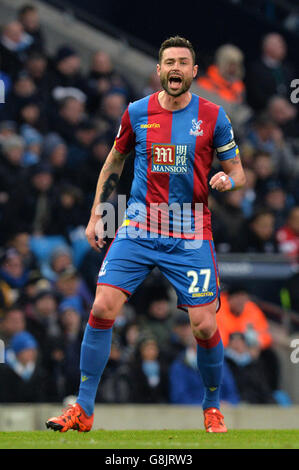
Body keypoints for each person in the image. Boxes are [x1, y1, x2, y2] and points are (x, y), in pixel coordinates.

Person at [46, 35, 246, 434]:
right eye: (168, 61)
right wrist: (97, 215)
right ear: (159, 70)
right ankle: (83, 408)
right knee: (102, 307)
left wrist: (228, 179)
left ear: (193, 71)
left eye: (183, 62)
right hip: (138, 224)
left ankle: (211, 408)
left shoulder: (213, 116)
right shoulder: (137, 112)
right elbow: (114, 161)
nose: (175, 68)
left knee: (204, 326)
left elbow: (238, 171)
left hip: (190, 230)